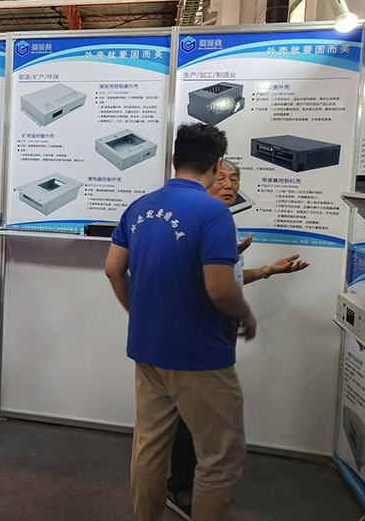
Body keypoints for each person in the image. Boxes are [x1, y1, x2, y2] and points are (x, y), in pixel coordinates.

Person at [105, 123, 256, 521]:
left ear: (174, 159)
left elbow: (113, 269)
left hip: (148, 349)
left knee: (150, 447)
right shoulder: (213, 212)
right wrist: (246, 314)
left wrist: (138, 312)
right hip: (199, 354)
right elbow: (220, 288)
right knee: (220, 455)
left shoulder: (139, 207)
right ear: (217, 164)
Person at [166, 158, 309, 520]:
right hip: (204, 330)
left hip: (219, 328)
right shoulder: (205, 220)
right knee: (196, 414)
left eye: (235, 179)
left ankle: (190, 486)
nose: (230, 185)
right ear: (205, 180)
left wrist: (268, 270)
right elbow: (205, 283)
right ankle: (181, 487)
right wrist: (245, 313)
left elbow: (230, 279)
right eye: (222, 178)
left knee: (204, 414)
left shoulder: (223, 223)